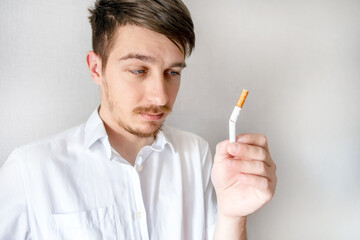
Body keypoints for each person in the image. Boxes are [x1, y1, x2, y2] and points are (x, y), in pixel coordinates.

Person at [0, 0, 277, 239]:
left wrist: (232, 216)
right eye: (138, 70)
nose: (160, 97)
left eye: (172, 72)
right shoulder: (30, 170)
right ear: (97, 69)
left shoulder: (196, 154)